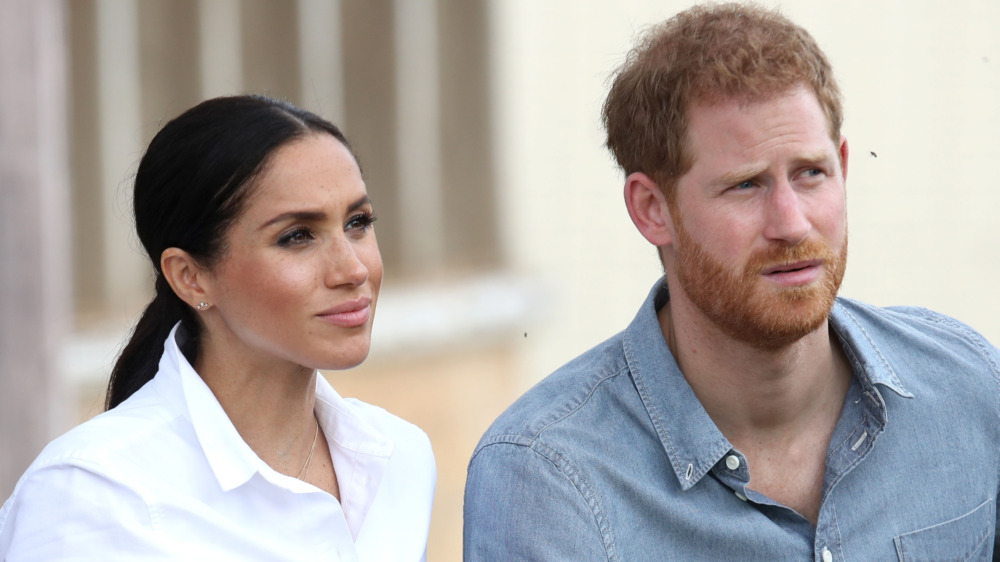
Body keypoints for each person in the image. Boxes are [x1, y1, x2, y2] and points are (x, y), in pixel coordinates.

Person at [464, 3, 1000, 559]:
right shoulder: (550, 479)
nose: (791, 223)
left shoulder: (969, 392)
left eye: (810, 173)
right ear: (652, 209)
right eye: (746, 186)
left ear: (844, 165)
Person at [0, 95, 436, 560]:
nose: (352, 269)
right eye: (296, 236)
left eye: (358, 223)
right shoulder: (94, 496)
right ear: (190, 276)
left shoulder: (398, 458)